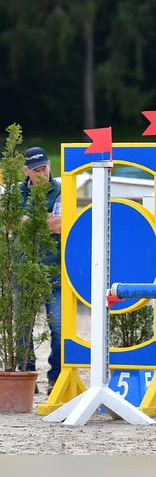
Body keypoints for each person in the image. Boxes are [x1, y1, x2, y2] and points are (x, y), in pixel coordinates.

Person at [18, 146, 62, 395]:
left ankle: (56, 377)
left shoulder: (62, 190)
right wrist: (44, 219)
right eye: (36, 170)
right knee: (23, 326)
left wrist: (30, 222)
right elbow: (11, 222)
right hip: (23, 267)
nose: (43, 173)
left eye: (45, 167)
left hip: (54, 268)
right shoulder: (15, 192)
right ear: (26, 171)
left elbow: (60, 224)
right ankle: (26, 374)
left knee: (58, 326)